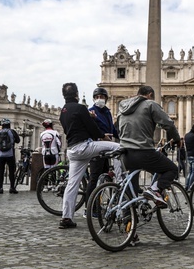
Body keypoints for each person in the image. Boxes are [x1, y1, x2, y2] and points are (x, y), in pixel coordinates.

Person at [58, 82, 119, 229]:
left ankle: (66, 218)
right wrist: (104, 137)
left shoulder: (63, 111)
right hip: (85, 146)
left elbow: (74, 127)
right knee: (118, 147)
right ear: (77, 94)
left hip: (72, 150)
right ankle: (121, 180)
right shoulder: (81, 108)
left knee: (72, 185)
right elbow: (93, 130)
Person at [117, 85, 180, 207]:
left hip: (125, 153)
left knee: (132, 186)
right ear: (150, 94)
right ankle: (154, 190)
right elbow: (169, 125)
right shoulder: (150, 104)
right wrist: (176, 139)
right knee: (172, 169)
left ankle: (127, 216)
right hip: (143, 151)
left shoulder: (123, 107)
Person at [85, 87, 122, 217]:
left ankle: (99, 204)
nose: (99, 99)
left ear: (106, 98)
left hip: (108, 148)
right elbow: (89, 130)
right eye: (97, 97)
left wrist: (123, 135)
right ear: (94, 99)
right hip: (97, 148)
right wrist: (101, 136)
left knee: (104, 177)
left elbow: (113, 129)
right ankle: (90, 209)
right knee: (94, 178)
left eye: (102, 96)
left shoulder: (107, 112)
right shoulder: (90, 112)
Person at [0, 118, 21, 194]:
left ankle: (0, 188)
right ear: (9, 124)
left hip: (1, 155)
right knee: (11, 172)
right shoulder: (12, 132)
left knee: (1, 171)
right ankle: (12, 187)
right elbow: (18, 140)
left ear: (2, 124)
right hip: (10, 154)